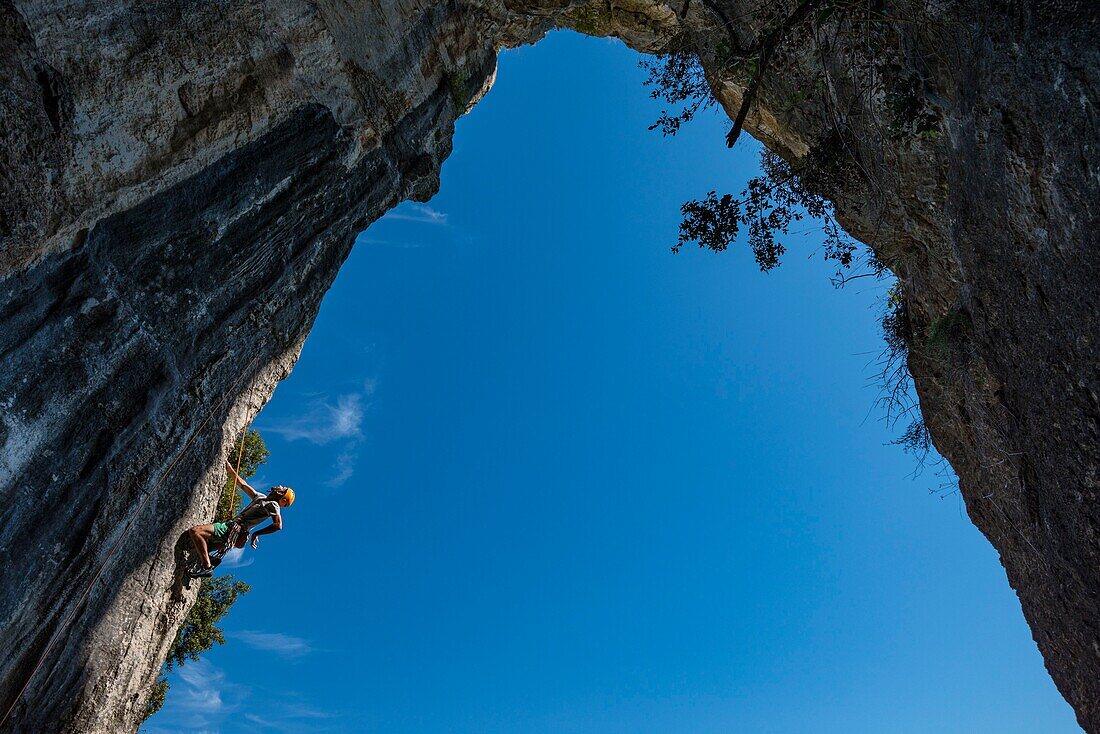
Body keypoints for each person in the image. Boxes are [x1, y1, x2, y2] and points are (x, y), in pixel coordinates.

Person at [185, 460, 295, 577]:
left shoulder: (274, 505)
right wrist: (230, 469)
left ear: (282, 497)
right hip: (233, 532)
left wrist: (256, 534)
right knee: (199, 547)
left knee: (196, 531)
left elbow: (278, 525)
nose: (281, 486)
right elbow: (243, 485)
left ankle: (207, 567)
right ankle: (210, 559)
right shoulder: (261, 498)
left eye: (284, 489)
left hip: (232, 529)